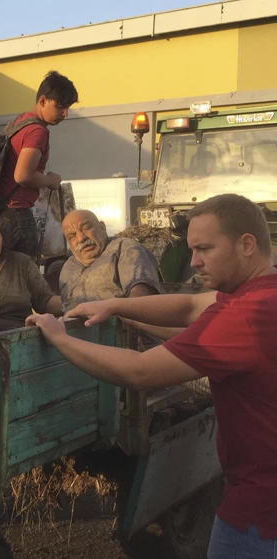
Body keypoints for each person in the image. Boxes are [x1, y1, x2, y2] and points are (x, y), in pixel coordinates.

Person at [26, 194, 277, 558]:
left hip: (258, 512)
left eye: (204, 249)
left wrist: (59, 338)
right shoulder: (259, 292)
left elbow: (140, 371)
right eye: (192, 250)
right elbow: (190, 305)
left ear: (247, 245)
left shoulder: (249, 314)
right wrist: (113, 305)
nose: (193, 263)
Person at [0, 70, 78, 259]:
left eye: (68, 107)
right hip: (16, 215)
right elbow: (23, 176)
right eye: (60, 106)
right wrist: (50, 180)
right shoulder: (37, 131)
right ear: (42, 101)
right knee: (27, 278)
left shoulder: (19, 123)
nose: (65, 113)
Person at [59, 209, 160, 310]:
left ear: (102, 227)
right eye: (72, 236)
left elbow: (142, 297)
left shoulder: (124, 248)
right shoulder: (68, 267)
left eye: (86, 228)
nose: (81, 238)